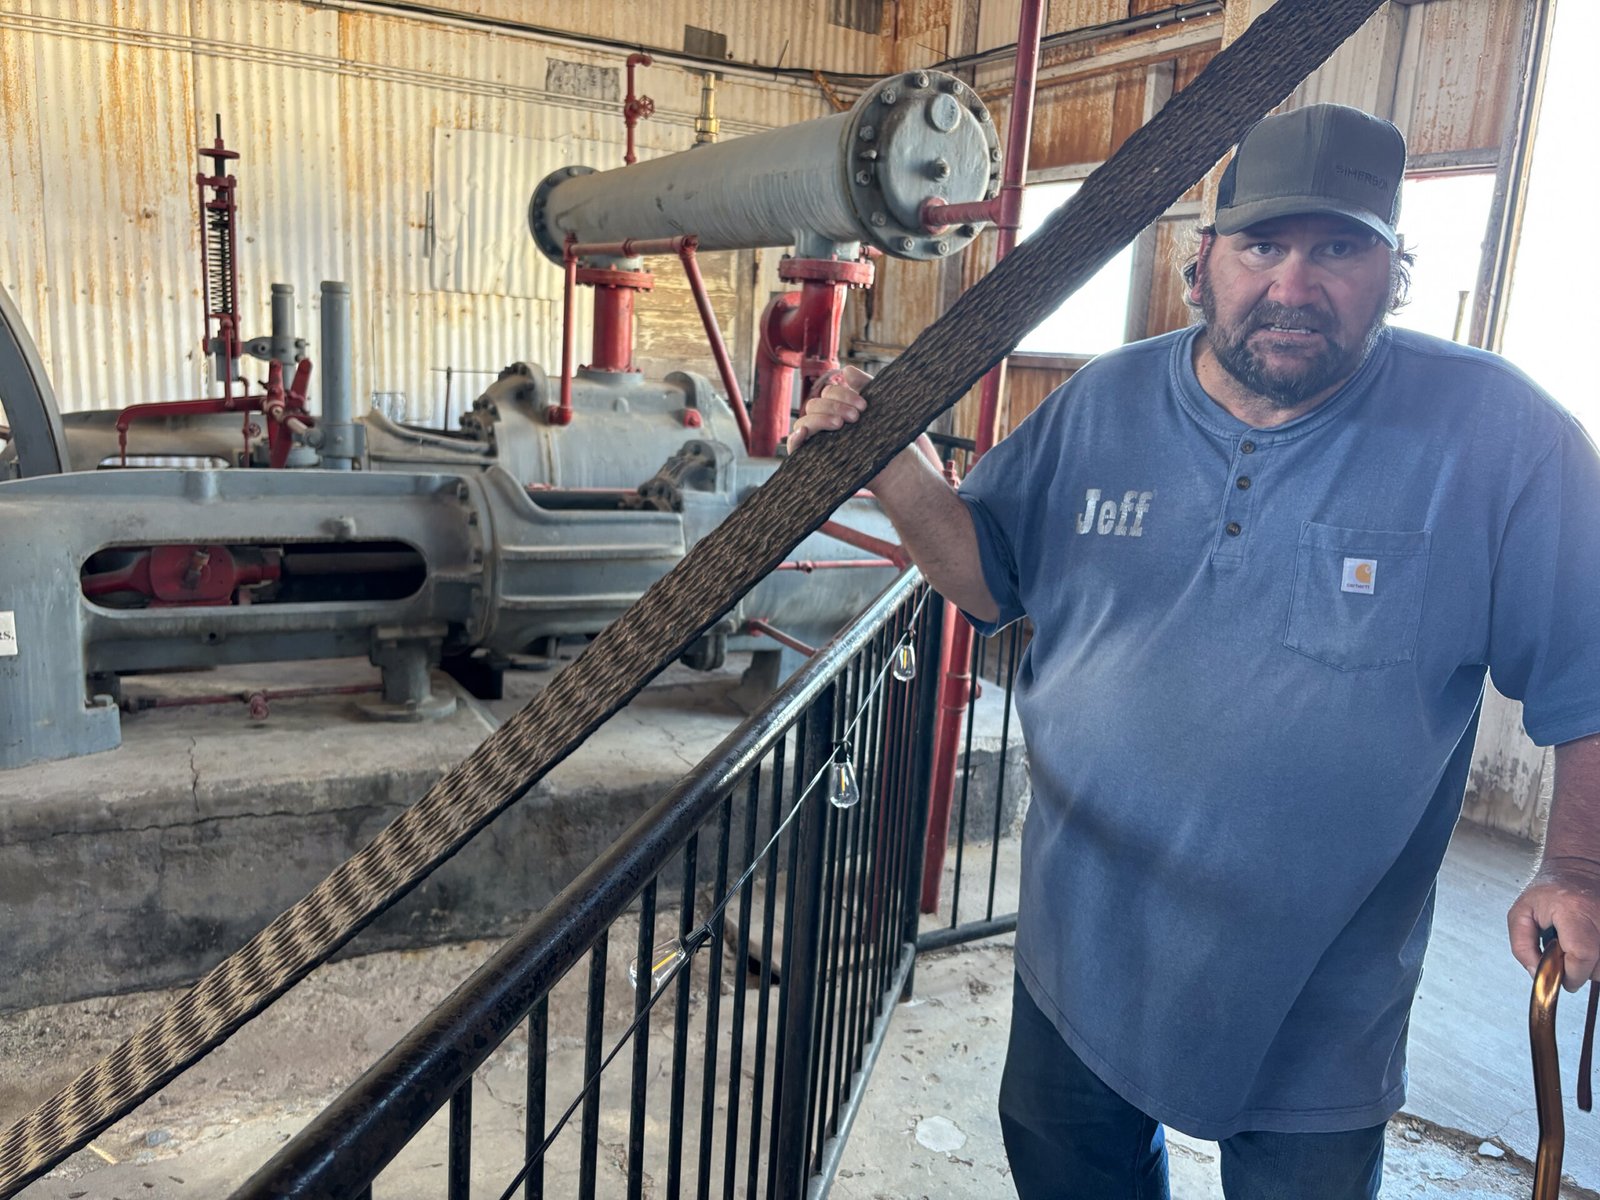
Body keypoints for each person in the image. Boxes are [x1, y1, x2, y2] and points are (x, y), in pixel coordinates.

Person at [790, 103, 1600, 1199]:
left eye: (1339, 249)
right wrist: (894, 469)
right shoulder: (1103, 402)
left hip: (1320, 995)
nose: (1293, 285)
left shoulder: (1501, 437)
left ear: (1394, 273)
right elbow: (986, 576)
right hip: (1081, 949)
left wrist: (1577, 868)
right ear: (1201, 262)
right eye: (1262, 246)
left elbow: (1588, 671)